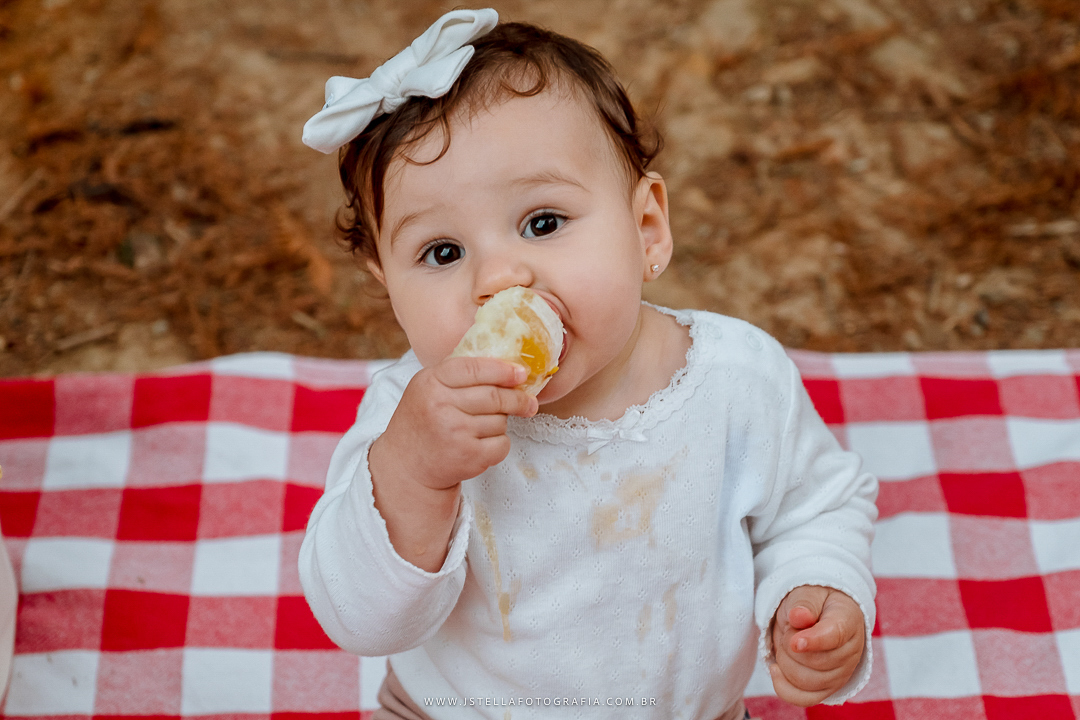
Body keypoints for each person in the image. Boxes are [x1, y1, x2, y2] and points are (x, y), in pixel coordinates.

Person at [299, 9, 878, 720]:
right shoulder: (409, 422)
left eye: (543, 222)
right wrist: (414, 477)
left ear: (646, 229)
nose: (497, 278)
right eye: (442, 252)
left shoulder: (737, 380)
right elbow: (360, 623)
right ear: (388, 283)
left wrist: (818, 585)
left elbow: (816, 507)